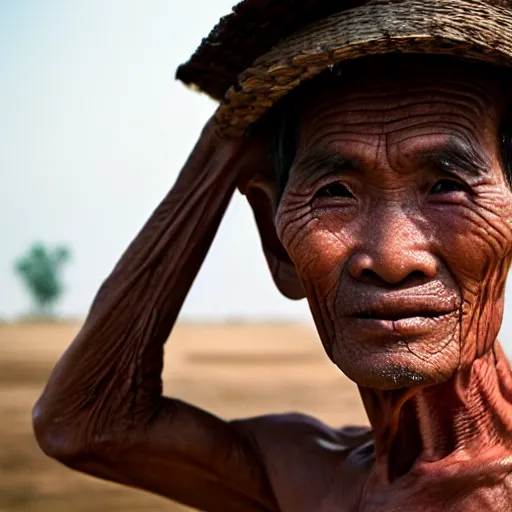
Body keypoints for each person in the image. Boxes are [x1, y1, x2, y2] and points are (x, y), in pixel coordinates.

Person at [33, 1, 512, 510]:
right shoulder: (315, 474)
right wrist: (226, 146)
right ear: (274, 239)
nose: (391, 258)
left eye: (446, 186)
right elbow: (85, 425)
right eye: (335, 192)